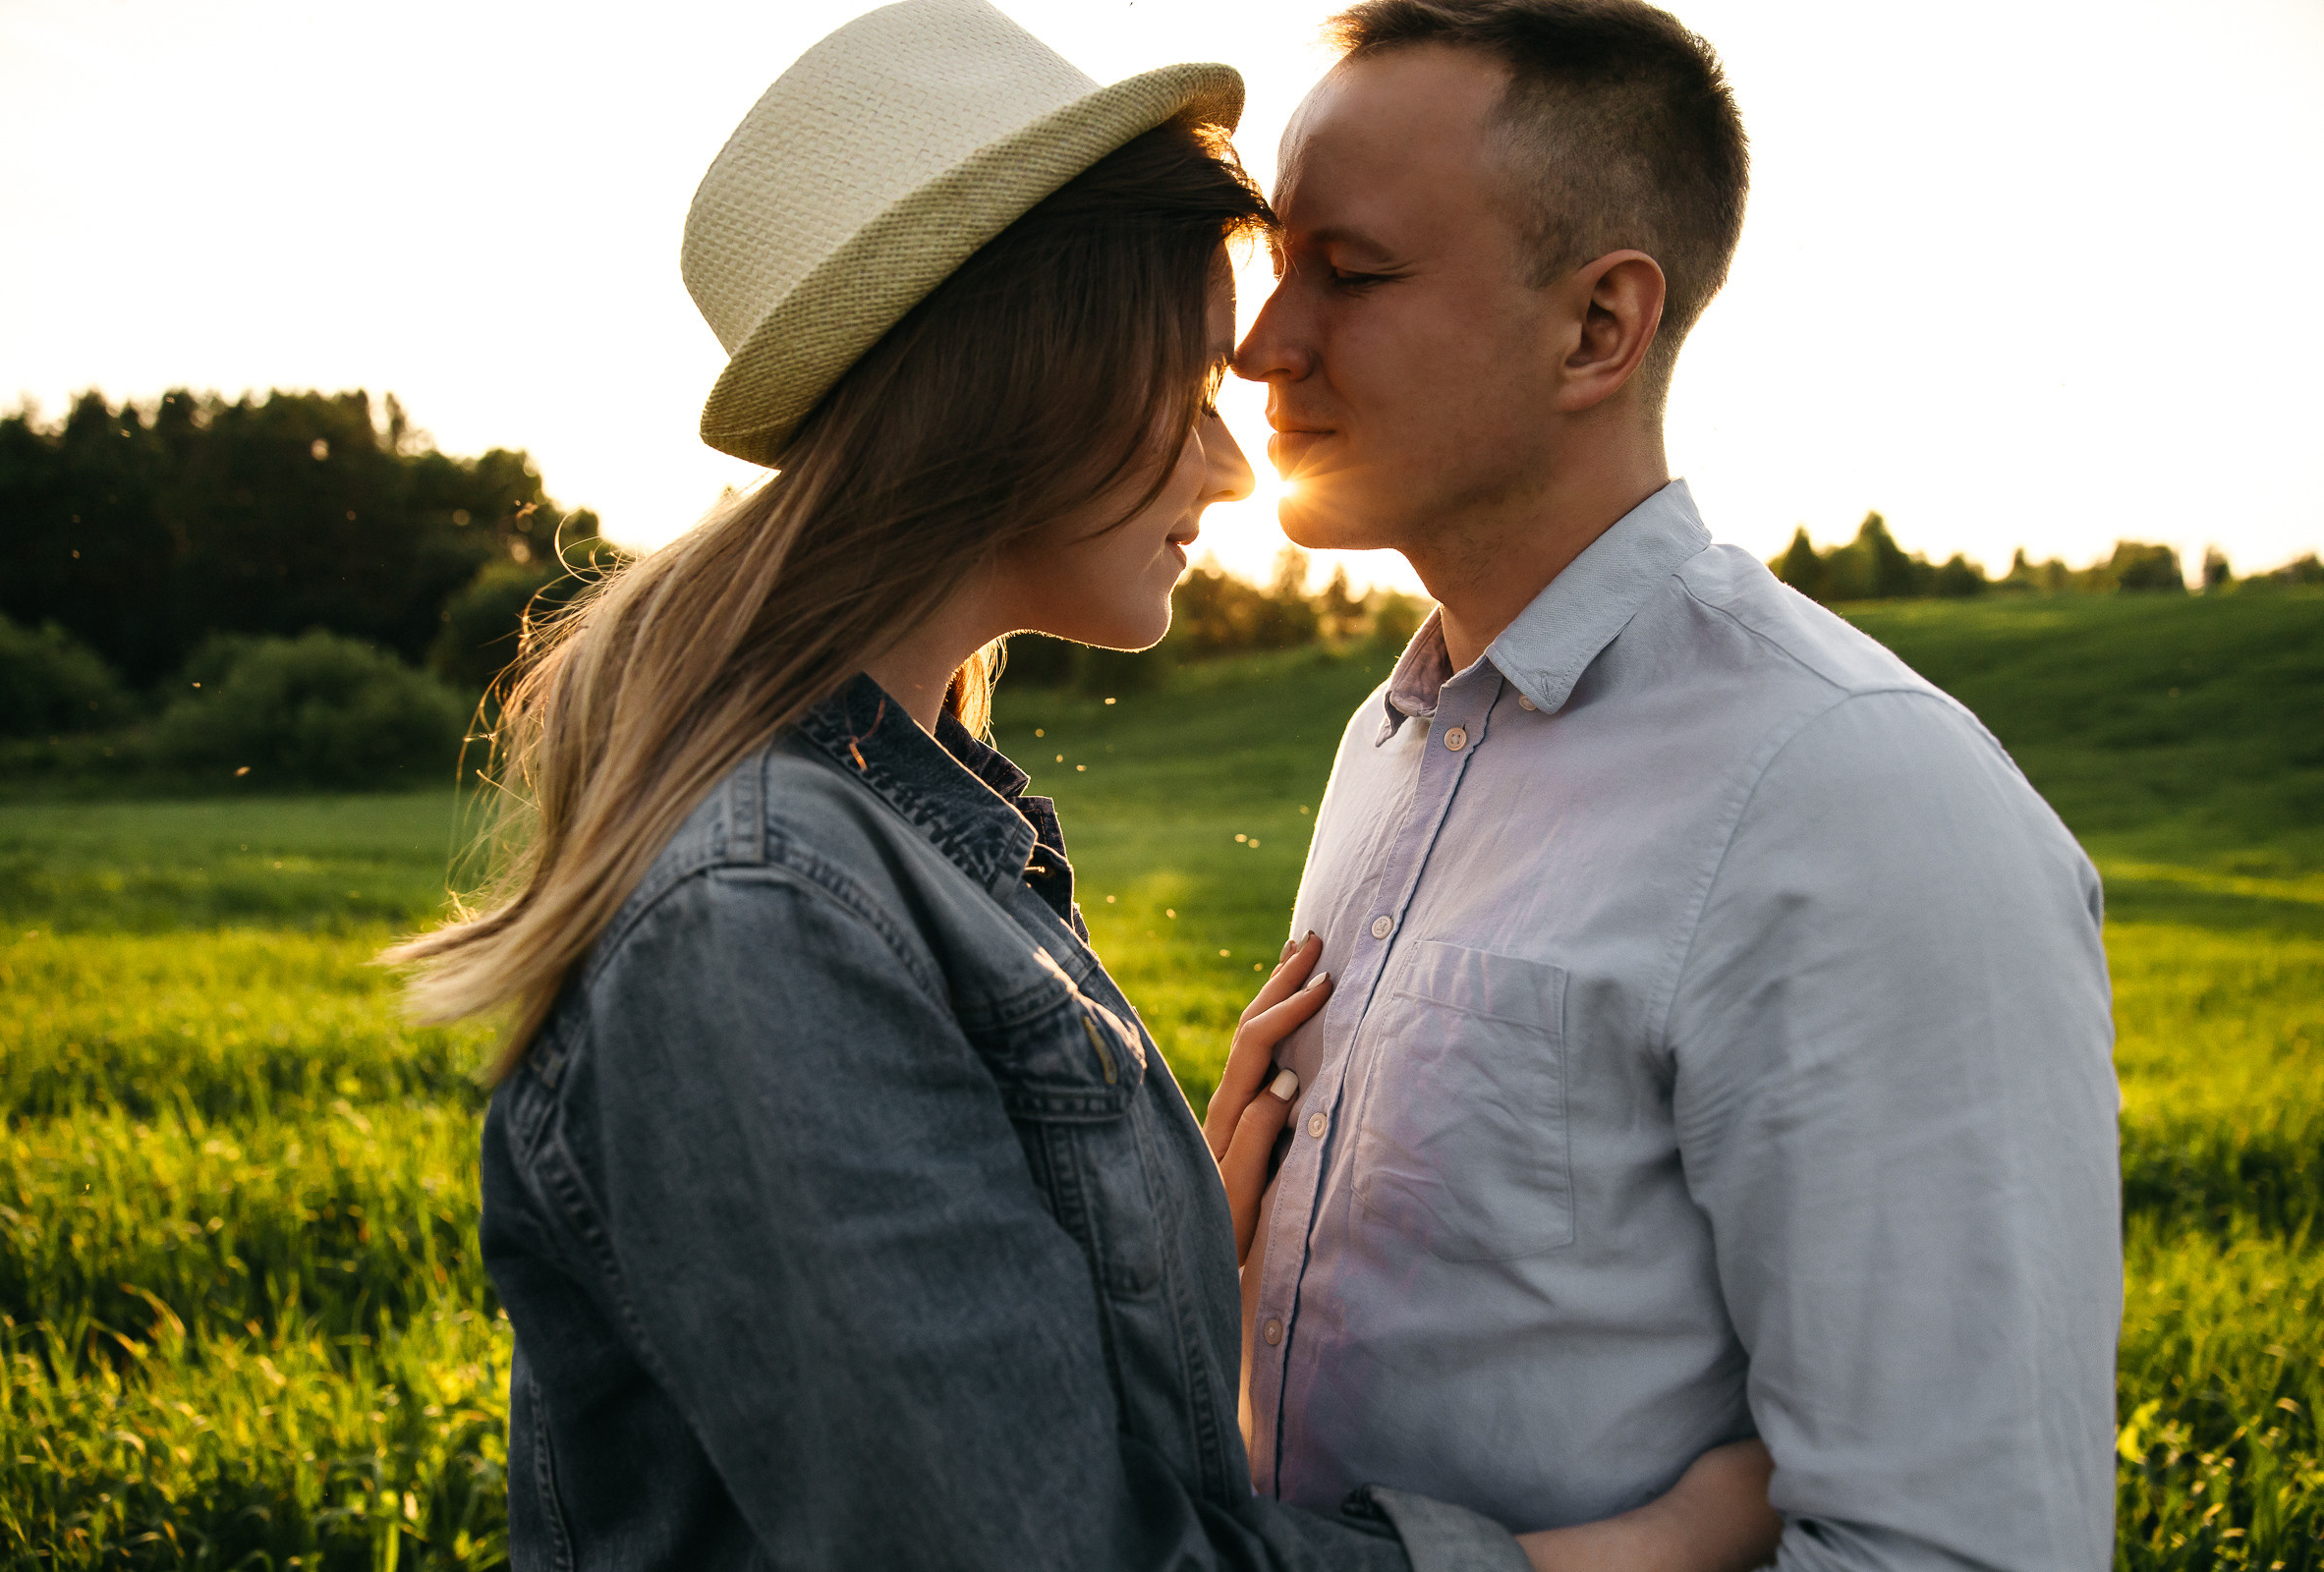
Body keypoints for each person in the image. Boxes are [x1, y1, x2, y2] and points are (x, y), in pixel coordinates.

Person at [385, 2, 1784, 1567]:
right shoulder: (760, 914)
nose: (1239, 459)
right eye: (1192, 383)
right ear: (1030, 386)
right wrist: (1632, 1554)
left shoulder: (896, 835)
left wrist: (1164, 1234)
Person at [1219, 1, 2125, 1567]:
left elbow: (1956, 1546)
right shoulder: (1396, 743)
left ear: (1597, 328)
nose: (1262, 343)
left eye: (1347, 273)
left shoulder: (1855, 801)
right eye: (1276, 264)